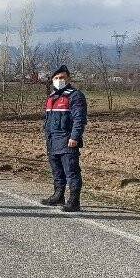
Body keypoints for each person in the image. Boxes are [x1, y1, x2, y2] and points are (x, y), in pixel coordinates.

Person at [41, 65, 87, 212]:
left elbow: (79, 119)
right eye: (56, 78)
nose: (59, 80)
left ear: (68, 79)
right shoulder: (51, 97)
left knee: (71, 171)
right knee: (57, 171)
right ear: (52, 80)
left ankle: (74, 201)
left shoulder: (75, 95)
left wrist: (75, 137)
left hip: (67, 140)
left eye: (62, 78)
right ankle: (58, 195)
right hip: (52, 141)